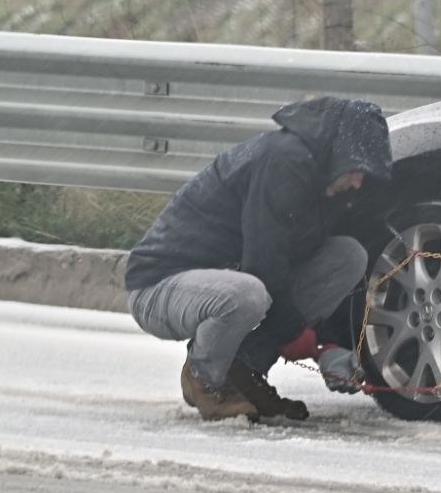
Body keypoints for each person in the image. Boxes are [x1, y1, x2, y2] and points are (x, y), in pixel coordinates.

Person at [124, 96, 392, 420]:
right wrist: (298, 337)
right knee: (248, 294)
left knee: (347, 256)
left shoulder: (325, 184)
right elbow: (264, 262)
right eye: (357, 168)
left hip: (227, 280)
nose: (358, 181)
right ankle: (203, 378)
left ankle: (242, 373)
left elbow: (294, 269)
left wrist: (329, 344)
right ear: (338, 152)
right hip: (161, 286)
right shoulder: (285, 160)